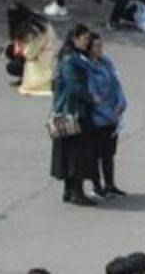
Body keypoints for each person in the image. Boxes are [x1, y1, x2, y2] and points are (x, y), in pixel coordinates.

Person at [51, 24, 98, 206]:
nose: (87, 43)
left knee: (67, 152)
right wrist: (92, 98)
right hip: (72, 111)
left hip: (63, 111)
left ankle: (69, 190)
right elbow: (74, 85)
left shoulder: (70, 56)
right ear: (75, 38)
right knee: (76, 153)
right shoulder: (70, 60)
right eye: (85, 39)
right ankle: (76, 191)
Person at [86, 33, 128, 198]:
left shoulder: (106, 63)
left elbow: (116, 84)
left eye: (101, 46)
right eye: (96, 46)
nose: (100, 49)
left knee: (109, 154)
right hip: (98, 118)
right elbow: (92, 95)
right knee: (96, 154)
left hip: (112, 114)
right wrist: (108, 114)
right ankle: (97, 186)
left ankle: (110, 184)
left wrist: (121, 103)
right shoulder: (87, 68)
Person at [7, 2, 58, 97]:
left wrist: (19, 52)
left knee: (12, 65)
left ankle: (27, 77)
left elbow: (30, 53)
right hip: (46, 54)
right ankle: (24, 75)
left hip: (43, 59)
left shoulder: (34, 30)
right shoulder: (37, 22)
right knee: (11, 51)